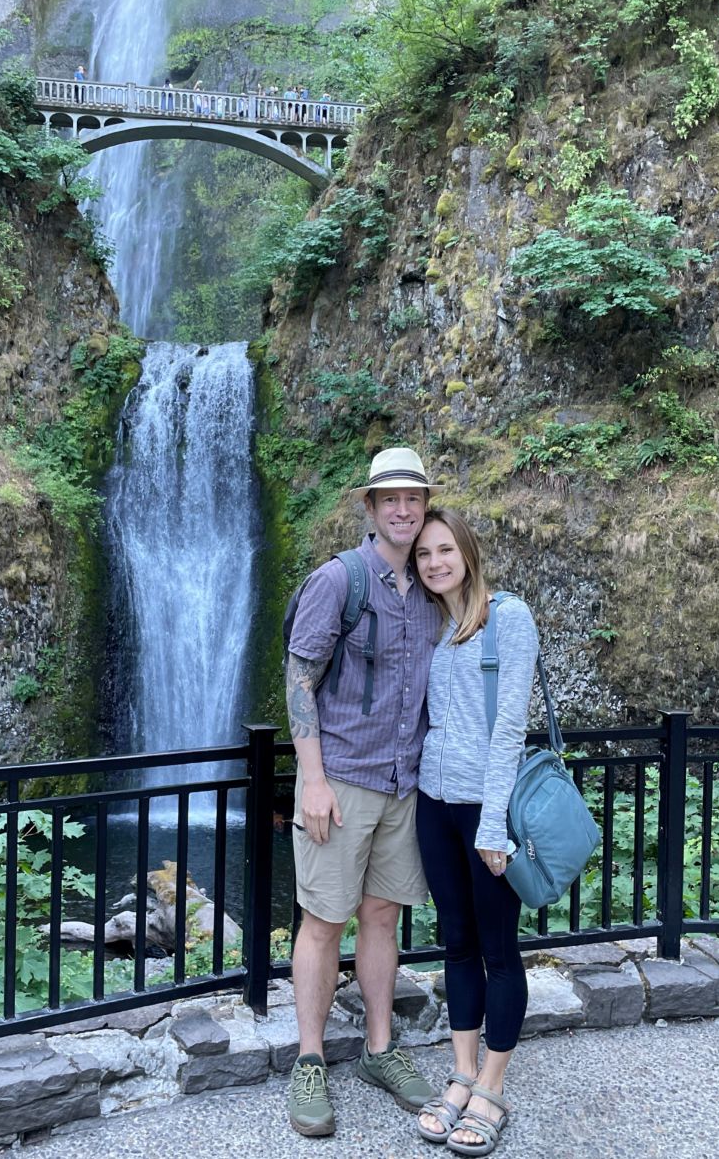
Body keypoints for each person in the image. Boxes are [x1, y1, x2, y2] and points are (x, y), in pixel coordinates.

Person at [285, 447, 444, 1138]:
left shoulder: (436, 585)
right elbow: (299, 679)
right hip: (341, 779)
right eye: (389, 500)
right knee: (322, 921)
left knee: (381, 917)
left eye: (412, 498)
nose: (402, 510)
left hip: (403, 782)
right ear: (370, 508)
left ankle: (380, 1049)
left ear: (423, 505)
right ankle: (310, 1059)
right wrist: (312, 781)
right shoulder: (339, 580)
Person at [412, 509, 538, 1154]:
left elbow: (508, 728)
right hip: (432, 804)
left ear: (467, 550)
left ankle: (491, 1086)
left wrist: (493, 825)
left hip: (485, 812)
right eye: (424, 555)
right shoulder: (436, 625)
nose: (435, 562)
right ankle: (460, 1074)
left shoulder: (506, 617)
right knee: (456, 942)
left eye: (445, 550)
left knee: (497, 949)